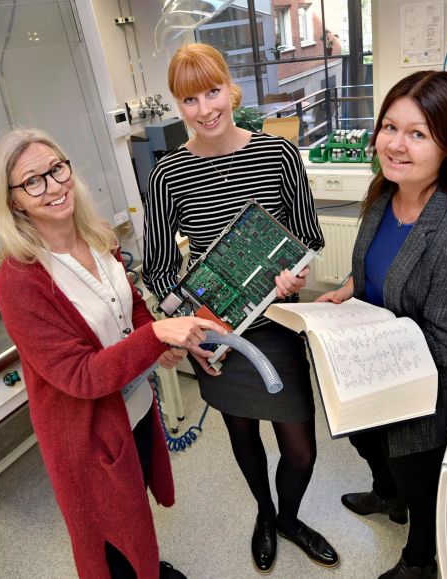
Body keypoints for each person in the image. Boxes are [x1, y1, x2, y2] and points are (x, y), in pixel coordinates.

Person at [0, 128, 225, 579]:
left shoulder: (97, 237)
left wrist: (156, 347)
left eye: (57, 169)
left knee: (132, 501)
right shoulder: (21, 280)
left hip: (131, 409)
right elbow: (81, 376)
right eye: (32, 181)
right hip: (86, 433)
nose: (53, 186)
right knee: (108, 528)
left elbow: (131, 305)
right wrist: (154, 337)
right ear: (14, 200)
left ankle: (145, 567)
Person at [142, 43, 336, 574]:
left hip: (274, 325)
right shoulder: (168, 175)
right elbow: (157, 268)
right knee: (243, 435)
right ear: (177, 106)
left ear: (231, 88)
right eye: (189, 99)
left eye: (212, 91)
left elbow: (309, 238)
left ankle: (291, 518)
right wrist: (188, 328)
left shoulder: (278, 155)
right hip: (216, 333)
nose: (205, 109)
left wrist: (294, 276)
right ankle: (266, 515)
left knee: (300, 450)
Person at [317, 71, 447, 579]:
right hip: (369, 372)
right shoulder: (385, 196)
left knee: (417, 476)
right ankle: (386, 496)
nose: (395, 145)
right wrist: (350, 289)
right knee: (365, 442)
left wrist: (368, 343)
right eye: (389, 128)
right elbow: (377, 267)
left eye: (418, 134)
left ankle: (419, 560)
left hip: (418, 395)